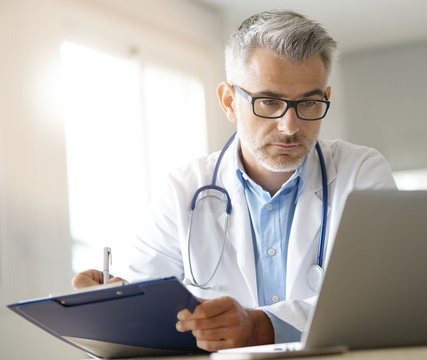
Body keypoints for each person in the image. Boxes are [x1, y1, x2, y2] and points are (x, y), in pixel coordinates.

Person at [72, 10, 396, 352]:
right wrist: (112, 305)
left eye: (309, 103)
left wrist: (262, 327)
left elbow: (383, 296)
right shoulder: (182, 191)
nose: (290, 126)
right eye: (269, 102)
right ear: (229, 101)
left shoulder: (360, 172)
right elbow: (146, 313)